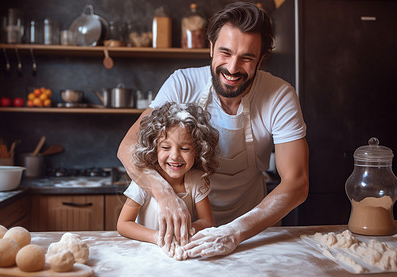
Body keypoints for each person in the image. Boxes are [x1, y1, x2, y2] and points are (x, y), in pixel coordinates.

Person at [117, 1, 309, 258]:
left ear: (261, 59)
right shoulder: (183, 83)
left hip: (251, 234)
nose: (232, 68)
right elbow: (128, 147)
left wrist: (234, 232)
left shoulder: (279, 96)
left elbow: (297, 183)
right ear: (210, 47)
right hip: (188, 233)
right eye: (225, 53)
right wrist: (164, 194)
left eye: (247, 58)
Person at [117, 102, 220, 259]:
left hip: (179, 255)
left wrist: (187, 231)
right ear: (154, 147)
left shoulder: (197, 180)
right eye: (166, 147)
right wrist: (158, 237)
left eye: (184, 149)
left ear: (198, 150)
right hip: (145, 255)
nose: (174, 156)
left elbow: (207, 221)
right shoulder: (144, 181)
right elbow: (123, 224)